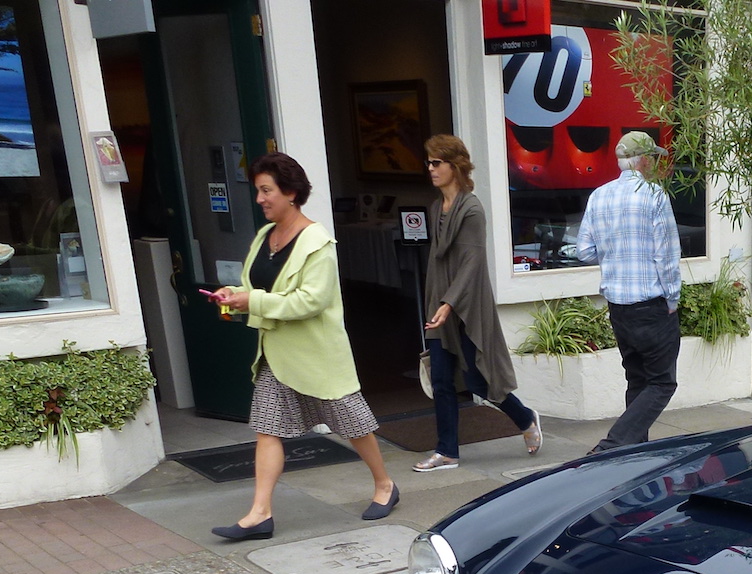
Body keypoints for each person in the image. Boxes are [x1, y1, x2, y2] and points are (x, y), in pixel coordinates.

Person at [208, 153, 397, 541]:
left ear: (291, 193)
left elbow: (309, 301)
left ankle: (385, 485)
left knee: (353, 425)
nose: (260, 199)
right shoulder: (265, 236)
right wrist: (236, 293)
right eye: (258, 191)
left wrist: (252, 302)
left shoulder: (317, 242)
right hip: (275, 354)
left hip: (317, 354)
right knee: (266, 429)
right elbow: (261, 288)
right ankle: (259, 513)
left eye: (266, 191)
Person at [413, 134, 542, 472]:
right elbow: (437, 262)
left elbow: (472, 262)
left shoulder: (471, 209)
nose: (430, 168)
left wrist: (449, 304)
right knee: (440, 378)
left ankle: (525, 418)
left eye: (436, 162)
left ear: (455, 166)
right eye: (428, 162)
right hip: (439, 304)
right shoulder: (434, 207)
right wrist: (434, 303)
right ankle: (447, 452)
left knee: (480, 381)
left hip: (467, 306)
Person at [573, 131, 682, 453]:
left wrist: (614, 252)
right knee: (662, 382)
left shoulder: (599, 196)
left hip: (618, 305)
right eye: (655, 158)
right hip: (651, 303)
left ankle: (633, 454)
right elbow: (667, 255)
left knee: (637, 380)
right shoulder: (654, 196)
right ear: (644, 159)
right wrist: (673, 299)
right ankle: (613, 445)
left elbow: (584, 251)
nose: (656, 164)